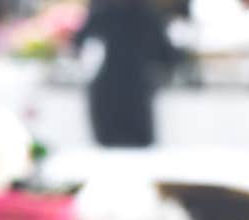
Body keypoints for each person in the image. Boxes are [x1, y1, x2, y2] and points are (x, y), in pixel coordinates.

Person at [74, 0, 179, 147]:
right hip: (136, 92)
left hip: (106, 93)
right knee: (138, 154)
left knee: (109, 152)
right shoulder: (146, 14)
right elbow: (168, 57)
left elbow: (78, 44)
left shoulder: (101, 11)